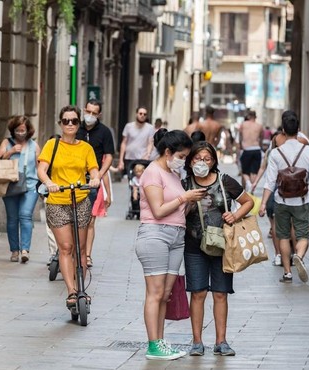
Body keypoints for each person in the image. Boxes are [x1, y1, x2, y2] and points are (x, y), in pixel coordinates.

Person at [133, 129, 206, 360]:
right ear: (168, 152)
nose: (183, 161)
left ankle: (160, 342)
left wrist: (192, 202)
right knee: (154, 293)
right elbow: (158, 210)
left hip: (176, 237)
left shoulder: (173, 174)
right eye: (182, 156)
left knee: (165, 294)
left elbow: (177, 207)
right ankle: (153, 344)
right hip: (155, 235)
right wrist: (184, 198)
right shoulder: (152, 173)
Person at [182, 141, 254, 357]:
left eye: (207, 159)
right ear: (190, 160)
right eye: (197, 158)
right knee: (198, 293)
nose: (202, 163)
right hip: (194, 245)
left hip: (223, 245)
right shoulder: (185, 184)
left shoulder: (225, 181)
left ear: (213, 161)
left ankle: (221, 341)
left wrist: (235, 215)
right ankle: (197, 342)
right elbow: (177, 214)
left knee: (221, 294)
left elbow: (248, 202)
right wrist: (188, 202)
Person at [37, 105, 100, 309]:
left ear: (79, 123)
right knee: (66, 248)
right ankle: (72, 291)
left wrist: (95, 179)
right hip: (57, 202)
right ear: (60, 124)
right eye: (66, 121)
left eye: (74, 121)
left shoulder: (86, 148)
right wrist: (49, 183)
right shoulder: (52, 145)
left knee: (81, 249)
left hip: (80, 200)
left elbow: (94, 169)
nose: (70, 124)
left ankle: (82, 287)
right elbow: (42, 169)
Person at [259, 111, 309, 283]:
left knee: (283, 236)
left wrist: (263, 204)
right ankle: (299, 256)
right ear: (298, 129)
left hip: (281, 200)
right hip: (302, 200)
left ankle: (287, 273)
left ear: (283, 130)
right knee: (303, 236)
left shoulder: (276, 153)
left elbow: (270, 181)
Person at [0, 116, 40, 263]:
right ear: (13, 130)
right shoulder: (6, 143)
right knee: (13, 218)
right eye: (17, 130)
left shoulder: (34, 146)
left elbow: (40, 167)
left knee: (25, 215)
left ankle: (25, 250)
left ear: (28, 131)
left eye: (23, 130)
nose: (20, 133)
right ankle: (14, 250)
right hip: (10, 184)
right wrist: (11, 151)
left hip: (30, 185)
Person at [77, 99, 115, 268]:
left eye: (94, 113)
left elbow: (109, 156)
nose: (90, 116)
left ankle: (87, 255)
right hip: (74, 179)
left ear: (99, 114)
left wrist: (99, 175)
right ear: (84, 110)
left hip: (93, 181)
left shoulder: (105, 132)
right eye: (88, 111)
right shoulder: (75, 128)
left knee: (90, 221)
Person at [117, 106, 155, 174]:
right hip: (129, 158)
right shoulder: (128, 126)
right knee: (131, 180)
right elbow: (124, 143)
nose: (142, 115)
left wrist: (148, 155)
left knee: (142, 181)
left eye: (144, 114)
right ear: (136, 114)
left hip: (143, 159)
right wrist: (121, 160)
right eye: (140, 113)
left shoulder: (150, 128)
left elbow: (150, 143)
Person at [238, 110, 264, 191]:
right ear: (255, 117)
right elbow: (261, 139)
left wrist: (241, 146)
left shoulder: (243, 124)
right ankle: (252, 188)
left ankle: (248, 183)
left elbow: (240, 137)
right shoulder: (259, 126)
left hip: (246, 149)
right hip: (256, 149)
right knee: (254, 171)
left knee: (245, 171)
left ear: (248, 116)